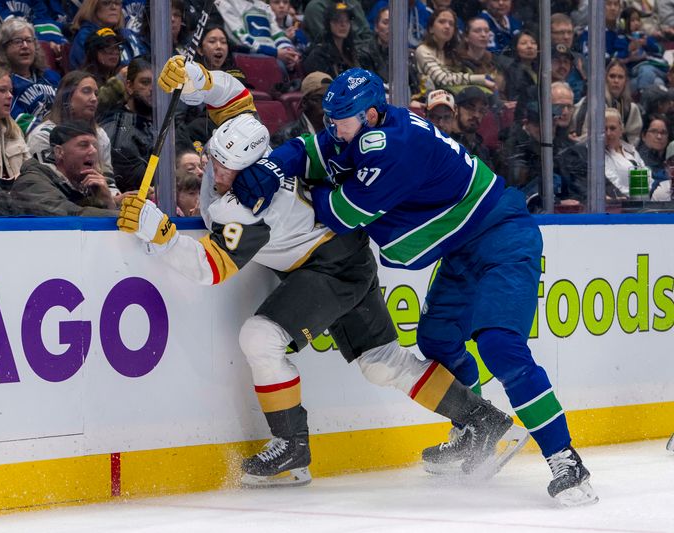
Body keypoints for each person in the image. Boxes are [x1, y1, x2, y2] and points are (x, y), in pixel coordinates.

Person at [120, 88, 524, 488]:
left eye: (225, 168)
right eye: (214, 161)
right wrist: (198, 78)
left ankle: (291, 448)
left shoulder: (248, 206)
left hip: (331, 268)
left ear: (250, 168)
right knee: (381, 361)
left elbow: (209, 268)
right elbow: (234, 98)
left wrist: (161, 234)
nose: (213, 172)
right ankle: (485, 421)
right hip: (345, 258)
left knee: (261, 337)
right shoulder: (241, 151)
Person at [232, 67, 598, 506]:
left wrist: (300, 183)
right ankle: (474, 432)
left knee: (500, 344)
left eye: (340, 120)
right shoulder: (364, 129)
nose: (332, 129)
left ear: (368, 115)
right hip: (463, 247)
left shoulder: (393, 148)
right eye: (329, 119)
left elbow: (341, 214)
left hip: (503, 235)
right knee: (437, 339)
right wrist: (275, 164)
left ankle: (564, 457)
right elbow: (308, 148)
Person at [27, 70, 116, 188]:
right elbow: (48, 186)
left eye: (96, 93)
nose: (94, 99)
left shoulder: (100, 135)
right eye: (86, 91)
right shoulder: (43, 135)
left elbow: (109, 184)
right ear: (66, 97)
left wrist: (118, 198)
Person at [13, 120, 118, 216]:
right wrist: (123, 218)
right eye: (83, 145)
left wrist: (107, 200)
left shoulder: (88, 186)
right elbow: (70, 216)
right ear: (59, 152)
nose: (93, 151)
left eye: (95, 146)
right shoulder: (32, 182)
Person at [0, 18, 61, 135]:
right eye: (18, 41)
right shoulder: (2, 83)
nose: (25, 46)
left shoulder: (51, 76)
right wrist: (51, 130)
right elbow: (14, 119)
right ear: (4, 49)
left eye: (29, 40)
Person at [100, 58, 155, 192]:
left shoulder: (168, 122)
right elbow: (134, 179)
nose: (152, 89)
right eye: (145, 82)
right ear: (129, 86)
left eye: (157, 83)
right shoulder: (117, 127)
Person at [415, 8, 497, 94]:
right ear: (431, 28)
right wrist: (480, 79)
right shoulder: (423, 50)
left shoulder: (451, 53)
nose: (447, 26)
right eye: (442, 22)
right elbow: (442, 79)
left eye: (451, 24)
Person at [572, 60, 643, 146]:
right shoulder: (593, 104)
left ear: (625, 81)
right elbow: (584, 134)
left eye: (620, 77)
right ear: (605, 79)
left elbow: (633, 138)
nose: (616, 81)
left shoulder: (631, 109)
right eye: (612, 76)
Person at [216, 0, 300, 72]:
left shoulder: (264, 6)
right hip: (244, 56)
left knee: (296, 64)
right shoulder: (225, 3)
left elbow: (277, 34)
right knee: (277, 66)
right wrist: (274, 52)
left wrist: (288, 51)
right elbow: (240, 38)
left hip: (272, 56)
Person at [69, 0, 146, 70]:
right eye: (106, 3)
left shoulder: (127, 34)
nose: (113, 7)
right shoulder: (85, 37)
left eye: (117, 3)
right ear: (93, 7)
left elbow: (147, 62)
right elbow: (88, 74)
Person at [271, 71, 332, 146]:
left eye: (331, 99)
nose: (327, 105)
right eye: (319, 99)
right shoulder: (285, 137)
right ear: (304, 103)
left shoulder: (339, 132)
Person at [605, 107, 648, 198]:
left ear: (621, 129)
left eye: (612, 128)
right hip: (619, 204)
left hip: (640, 204)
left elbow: (644, 182)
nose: (608, 133)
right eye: (604, 129)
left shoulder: (631, 151)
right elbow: (612, 182)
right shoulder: (598, 156)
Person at [450, 86, 496, 170]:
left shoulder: (482, 150)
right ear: (456, 109)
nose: (476, 115)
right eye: (470, 108)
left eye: (481, 111)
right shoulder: (446, 142)